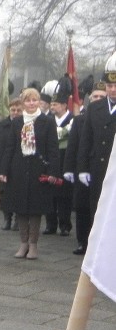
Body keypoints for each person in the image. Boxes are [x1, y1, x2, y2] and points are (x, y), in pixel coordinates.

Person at [0, 87, 60, 260]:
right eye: (28, 100)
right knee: (20, 208)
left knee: (35, 209)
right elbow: (10, 147)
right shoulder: (17, 122)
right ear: (23, 102)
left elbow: (53, 149)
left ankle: (33, 245)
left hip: (38, 170)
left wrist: (53, 172)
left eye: (34, 100)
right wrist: (3, 169)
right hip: (18, 168)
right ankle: (23, 243)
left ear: (39, 101)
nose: (31, 103)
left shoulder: (47, 122)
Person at [64, 82, 107, 255]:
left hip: (102, 169)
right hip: (85, 168)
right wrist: (70, 168)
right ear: (89, 99)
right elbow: (74, 146)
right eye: (95, 96)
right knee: (82, 207)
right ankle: (82, 241)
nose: (97, 99)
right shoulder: (80, 119)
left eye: (101, 97)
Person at [77, 55, 116, 225]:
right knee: (97, 211)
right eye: (109, 86)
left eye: (115, 86)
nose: (113, 89)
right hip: (98, 167)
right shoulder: (94, 108)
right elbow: (86, 140)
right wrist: (83, 168)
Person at [49, 92, 74, 236]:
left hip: (65, 161)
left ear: (64, 105)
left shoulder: (72, 120)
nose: (52, 107)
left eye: (55, 104)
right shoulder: (48, 120)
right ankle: (51, 224)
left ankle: (65, 225)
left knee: (64, 196)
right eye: (51, 104)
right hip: (52, 162)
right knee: (50, 194)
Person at [0, 99, 23, 230]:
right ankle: (7, 218)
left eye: (18, 110)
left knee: (18, 192)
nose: (15, 113)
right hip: (4, 162)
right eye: (13, 110)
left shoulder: (26, 125)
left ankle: (18, 220)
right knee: (5, 192)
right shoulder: (2, 125)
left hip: (19, 163)